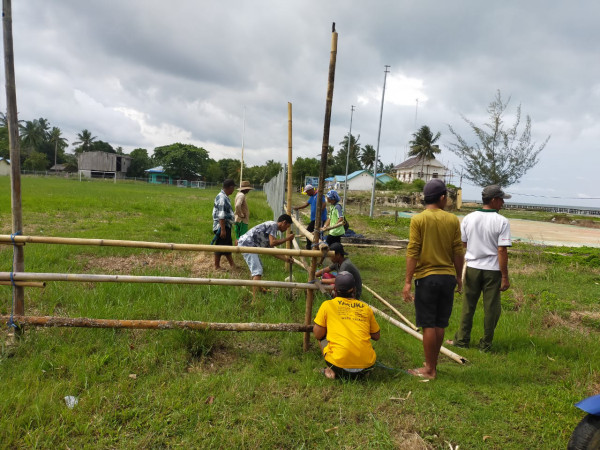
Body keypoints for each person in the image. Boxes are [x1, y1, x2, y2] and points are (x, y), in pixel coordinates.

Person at [402, 179, 464, 380]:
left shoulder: (418, 220)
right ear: (442, 197)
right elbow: (457, 251)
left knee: (428, 324)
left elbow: (413, 251)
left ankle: (430, 369)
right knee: (439, 324)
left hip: (427, 278)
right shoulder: (453, 220)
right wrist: (459, 277)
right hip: (447, 278)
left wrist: (408, 281)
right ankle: (432, 364)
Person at [447, 185, 512, 352]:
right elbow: (501, 250)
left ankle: (462, 341)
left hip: (472, 267)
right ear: (493, 200)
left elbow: (463, 243)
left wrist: (476, 249)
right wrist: (505, 276)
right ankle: (486, 344)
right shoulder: (502, 221)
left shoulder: (469, 218)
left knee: (468, 306)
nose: (503, 202)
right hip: (492, 270)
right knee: (492, 308)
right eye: (501, 199)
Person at [313, 271, 380, 380]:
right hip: (366, 367)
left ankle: (331, 370)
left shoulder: (327, 305)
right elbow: (376, 336)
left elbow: (317, 334)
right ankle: (361, 372)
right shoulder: (365, 308)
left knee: (322, 336)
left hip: (339, 366)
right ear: (354, 289)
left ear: (334, 289)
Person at [238, 214, 295, 298]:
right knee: (257, 271)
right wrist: (287, 239)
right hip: (247, 245)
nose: (286, 229)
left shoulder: (272, 230)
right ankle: (255, 299)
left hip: (250, 245)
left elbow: (271, 250)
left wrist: (286, 259)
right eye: (287, 226)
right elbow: (273, 243)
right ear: (283, 222)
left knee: (259, 267)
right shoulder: (273, 225)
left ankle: (259, 289)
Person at [292, 184, 327, 249]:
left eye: (307, 192)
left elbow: (324, 204)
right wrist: (298, 207)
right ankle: (310, 246)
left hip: (320, 219)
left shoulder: (319, 195)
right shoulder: (312, 197)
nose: (307, 193)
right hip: (314, 219)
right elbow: (306, 204)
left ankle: (320, 247)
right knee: (309, 232)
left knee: (318, 233)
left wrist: (319, 214)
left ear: (311, 190)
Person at [212, 179, 236, 270]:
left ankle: (232, 265)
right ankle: (217, 266)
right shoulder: (222, 198)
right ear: (230, 187)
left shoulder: (224, 196)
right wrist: (222, 229)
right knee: (220, 246)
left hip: (225, 226)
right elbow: (221, 215)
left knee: (227, 246)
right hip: (222, 226)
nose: (233, 190)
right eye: (233, 187)